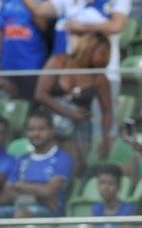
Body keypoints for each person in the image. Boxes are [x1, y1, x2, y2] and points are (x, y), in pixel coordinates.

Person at [34, 31, 114, 175]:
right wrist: (70, 114)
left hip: (80, 132)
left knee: (75, 166)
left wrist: (105, 137)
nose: (103, 59)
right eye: (101, 53)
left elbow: (107, 111)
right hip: (52, 126)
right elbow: (40, 94)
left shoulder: (99, 78)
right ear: (89, 48)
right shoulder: (59, 62)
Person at [0, 108, 75, 219]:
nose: (35, 134)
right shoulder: (22, 160)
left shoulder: (62, 159)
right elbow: (4, 197)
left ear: (51, 131)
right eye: (31, 129)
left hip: (49, 214)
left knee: (21, 215)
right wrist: (36, 196)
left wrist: (18, 185)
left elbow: (49, 191)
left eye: (41, 129)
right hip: (19, 207)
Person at [0, 0, 50, 101]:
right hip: (9, 65)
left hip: (32, 64)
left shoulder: (38, 3)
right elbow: (0, 32)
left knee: (29, 103)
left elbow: (43, 25)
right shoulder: (6, 4)